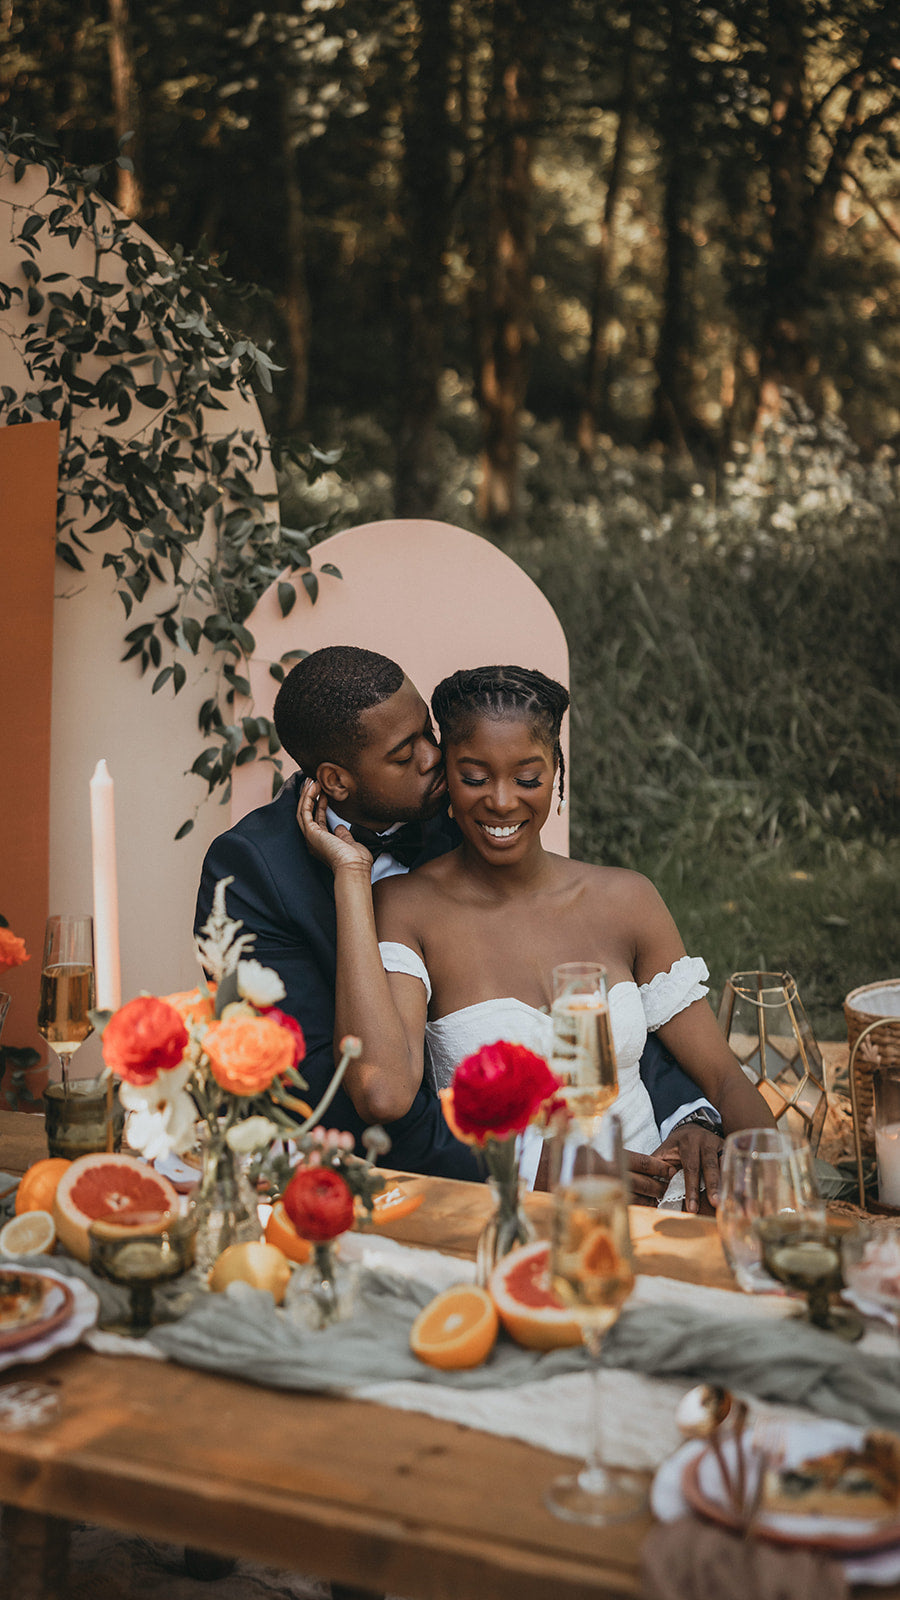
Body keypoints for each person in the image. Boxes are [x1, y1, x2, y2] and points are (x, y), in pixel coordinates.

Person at [296, 659, 776, 1206]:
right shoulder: (406, 907)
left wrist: (754, 1172)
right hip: (512, 1212)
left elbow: (723, 1077)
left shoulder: (627, 899)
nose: (502, 801)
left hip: (663, 1209)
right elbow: (382, 1089)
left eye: (528, 778)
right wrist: (352, 876)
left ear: (557, 772)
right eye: (474, 777)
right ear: (445, 778)